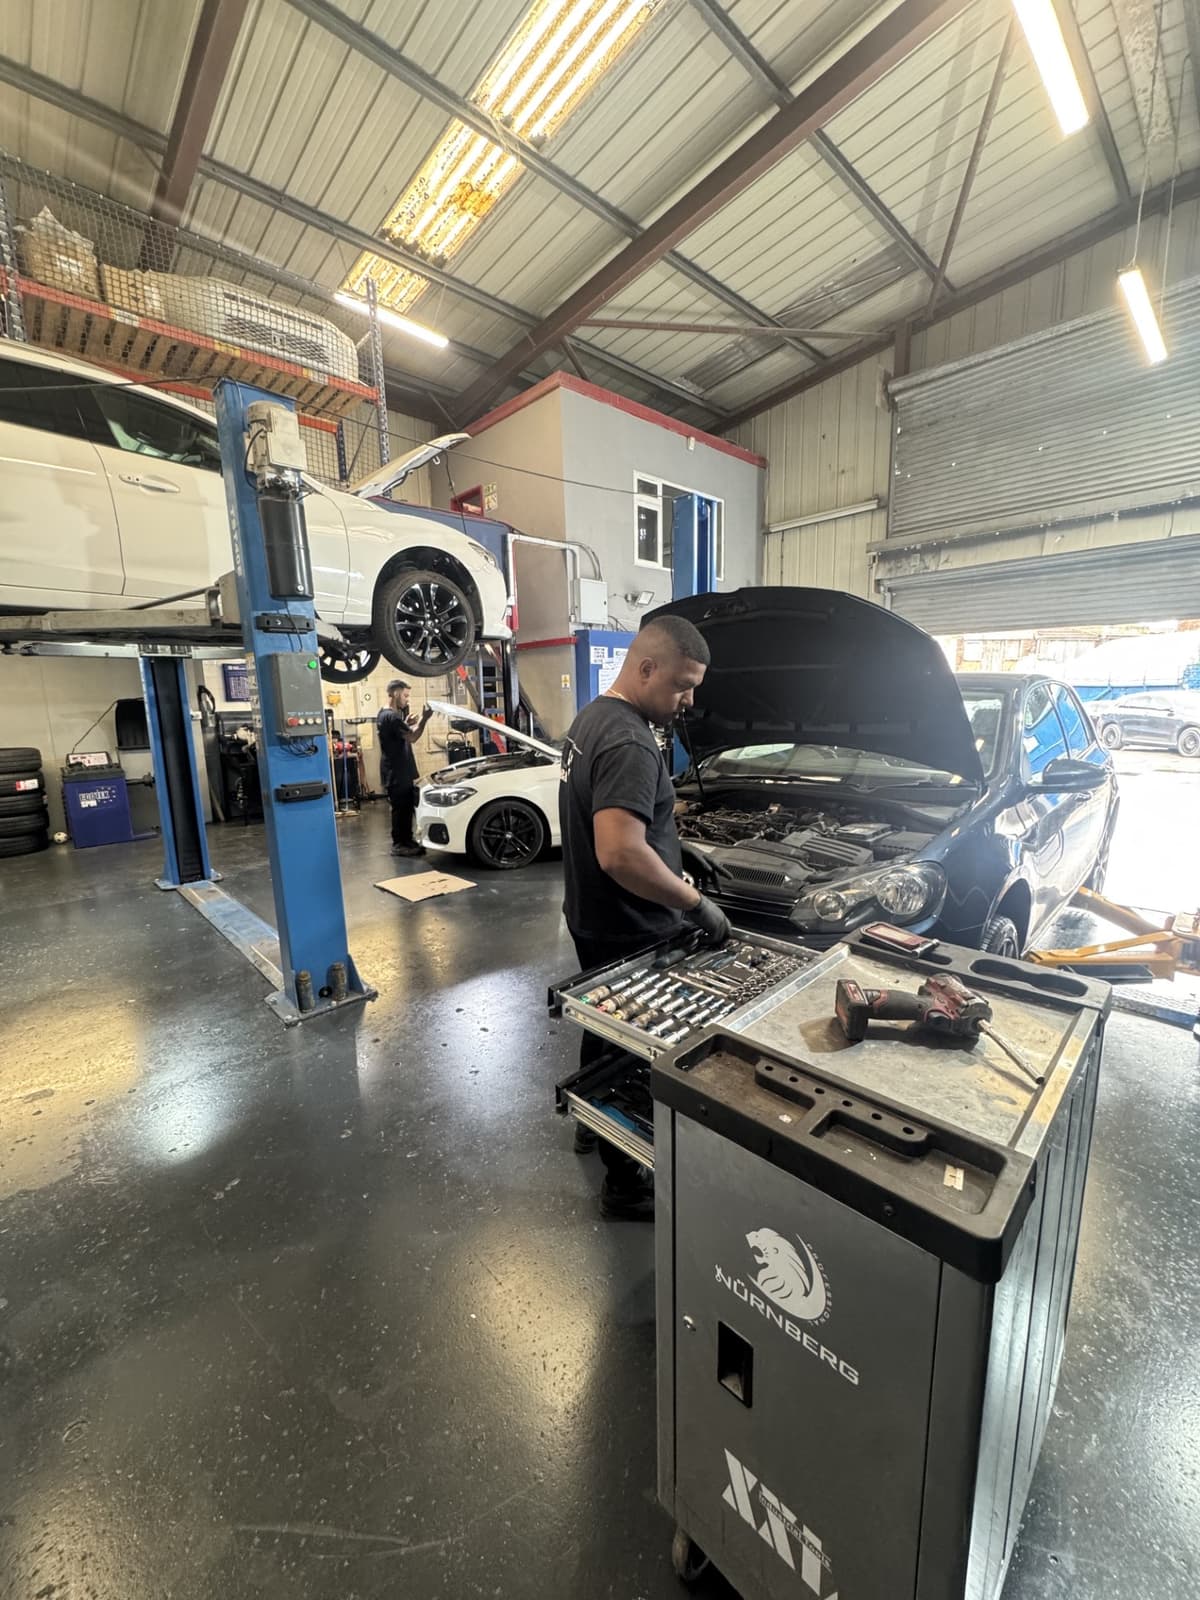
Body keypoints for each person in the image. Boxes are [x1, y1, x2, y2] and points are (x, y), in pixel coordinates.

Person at [558, 614, 731, 1220]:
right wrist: (693, 901)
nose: (689, 702)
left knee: (605, 1026)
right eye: (683, 686)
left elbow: (624, 825)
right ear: (647, 668)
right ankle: (625, 1182)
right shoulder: (631, 741)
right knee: (634, 1050)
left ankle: (590, 1124)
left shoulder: (593, 718)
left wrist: (679, 851)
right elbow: (621, 853)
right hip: (630, 923)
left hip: (591, 914)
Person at [377, 679, 432, 857]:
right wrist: (424, 719)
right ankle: (399, 845)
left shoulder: (387, 714)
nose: (407, 699)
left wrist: (407, 722)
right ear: (395, 693)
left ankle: (407, 841)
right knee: (401, 809)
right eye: (405, 695)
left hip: (398, 770)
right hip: (397, 771)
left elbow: (401, 734)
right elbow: (412, 737)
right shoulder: (391, 717)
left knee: (406, 807)